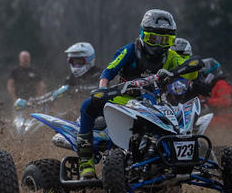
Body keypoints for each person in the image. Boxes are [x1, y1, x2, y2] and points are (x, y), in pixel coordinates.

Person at [75, 9, 194, 180]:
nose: (159, 44)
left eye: (165, 40)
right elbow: (108, 72)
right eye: (155, 38)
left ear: (172, 40)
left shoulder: (173, 56)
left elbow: (190, 71)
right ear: (143, 34)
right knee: (87, 106)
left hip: (154, 102)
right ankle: (85, 162)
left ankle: (170, 156)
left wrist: (190, 68)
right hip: (122, 98)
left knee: (179, 121)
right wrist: (102, 90)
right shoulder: (130, 50)